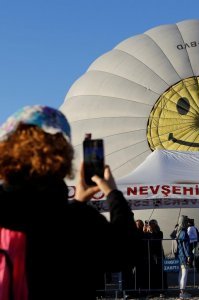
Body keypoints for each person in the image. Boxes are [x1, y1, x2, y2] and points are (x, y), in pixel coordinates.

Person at [0, 105, 138, 300]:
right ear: (63, 156)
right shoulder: (80, 222)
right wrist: (113, 193)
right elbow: (126, 253)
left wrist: (78, 203)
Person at [176, 215, 192, 299]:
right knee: (184, 274)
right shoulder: (183, 232)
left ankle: (181, 291)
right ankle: (182, 293)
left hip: (179, 255)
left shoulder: (178, 231)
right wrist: (188, 256)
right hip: (183, 256)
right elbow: (185, 246)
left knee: (181, 273)